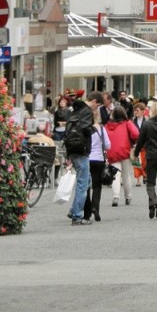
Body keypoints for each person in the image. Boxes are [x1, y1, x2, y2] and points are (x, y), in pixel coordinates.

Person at [64, 90, 103, 226]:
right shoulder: (86, 111)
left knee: (87, 181)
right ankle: (76, 215)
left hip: (72, 148)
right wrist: (93, 129)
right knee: (83, 183)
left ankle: (74, 209)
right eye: (97, 106)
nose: (96, 109)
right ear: (94, 102)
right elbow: (85, 128)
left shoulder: (75, 109)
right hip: (82, 149)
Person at [105, 104, 139, 208]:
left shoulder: (107, 125)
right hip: (125, 151)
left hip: (112, 151)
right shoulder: (127, 123)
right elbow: (136, 134)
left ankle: (116, 196)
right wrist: (132, 141)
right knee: (126, 175)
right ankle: (128, 197)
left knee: (115, 175)